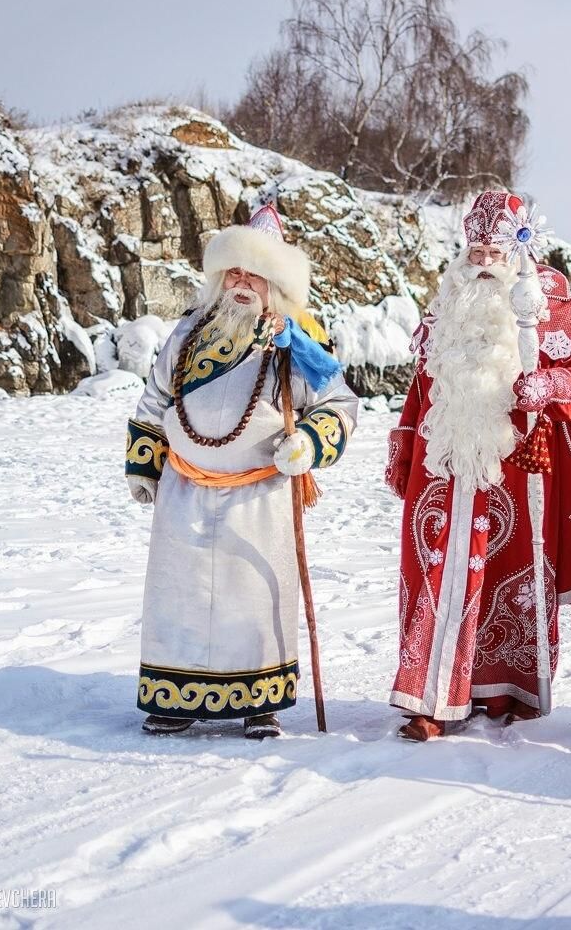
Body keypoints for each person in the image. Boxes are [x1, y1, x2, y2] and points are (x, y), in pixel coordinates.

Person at [384, 190, 571, 741]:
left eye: (496, 252)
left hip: (514, 464)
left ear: (516, 250)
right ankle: (430, 697)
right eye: (477, 253)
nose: (485, 263)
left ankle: (502, 688)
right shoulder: (444, 307)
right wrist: (403, 447)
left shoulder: (546, 303)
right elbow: (422, 386)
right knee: (435, 573)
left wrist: (552, 384)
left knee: (506, 572)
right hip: (443, 466)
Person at [125, 201, 359, 739]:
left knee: (252, 595)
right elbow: (154, 398)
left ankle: (260, 703)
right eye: (233, 269)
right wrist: (145, 461)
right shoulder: (188, 332)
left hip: (260, 495)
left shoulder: (297, 343)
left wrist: (309, 444)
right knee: (179, 594)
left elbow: (340, 404)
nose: (241, 280)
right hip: (183, 487)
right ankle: (175, 699)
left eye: (254, 272)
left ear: (274, 282)